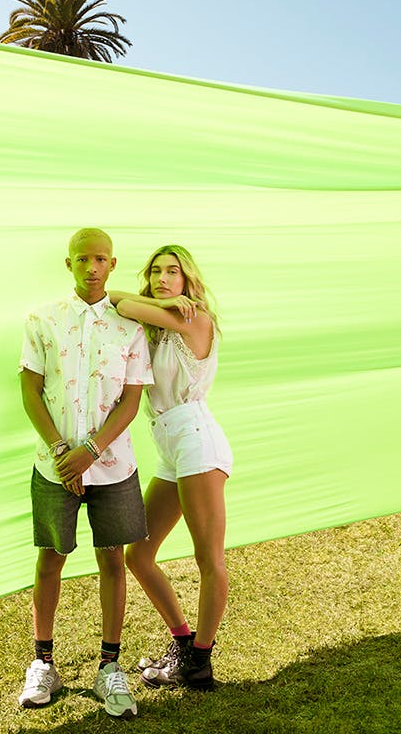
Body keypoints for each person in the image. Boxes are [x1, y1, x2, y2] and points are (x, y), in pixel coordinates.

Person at [16, 228, 154, 719]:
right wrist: (62, 451)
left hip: (114, 466)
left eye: (100, 259)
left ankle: (109, 668)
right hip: (53, 467)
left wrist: (91, 452)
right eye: (82, 259)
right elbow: (30, 389)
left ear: (112, 265)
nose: (91, 267)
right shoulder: (43, 320)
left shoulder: (130, 327)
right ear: (68, 263)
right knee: (50, 558)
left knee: (113, 558)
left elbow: (132, 398)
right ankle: (43, 663)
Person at [109, 244, 232, 690]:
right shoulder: (161, 323)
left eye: (172, 272)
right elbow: (116, 298)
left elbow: (120, 301)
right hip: (171, 446)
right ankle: (184, 644)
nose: (163, 278)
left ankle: (200, 661)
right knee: (138, 553)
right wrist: (159, 301)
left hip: (197, 441)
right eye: (156, 272)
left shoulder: (194, 318)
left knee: (208, 558)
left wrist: (159, 305)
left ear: (188, 280)